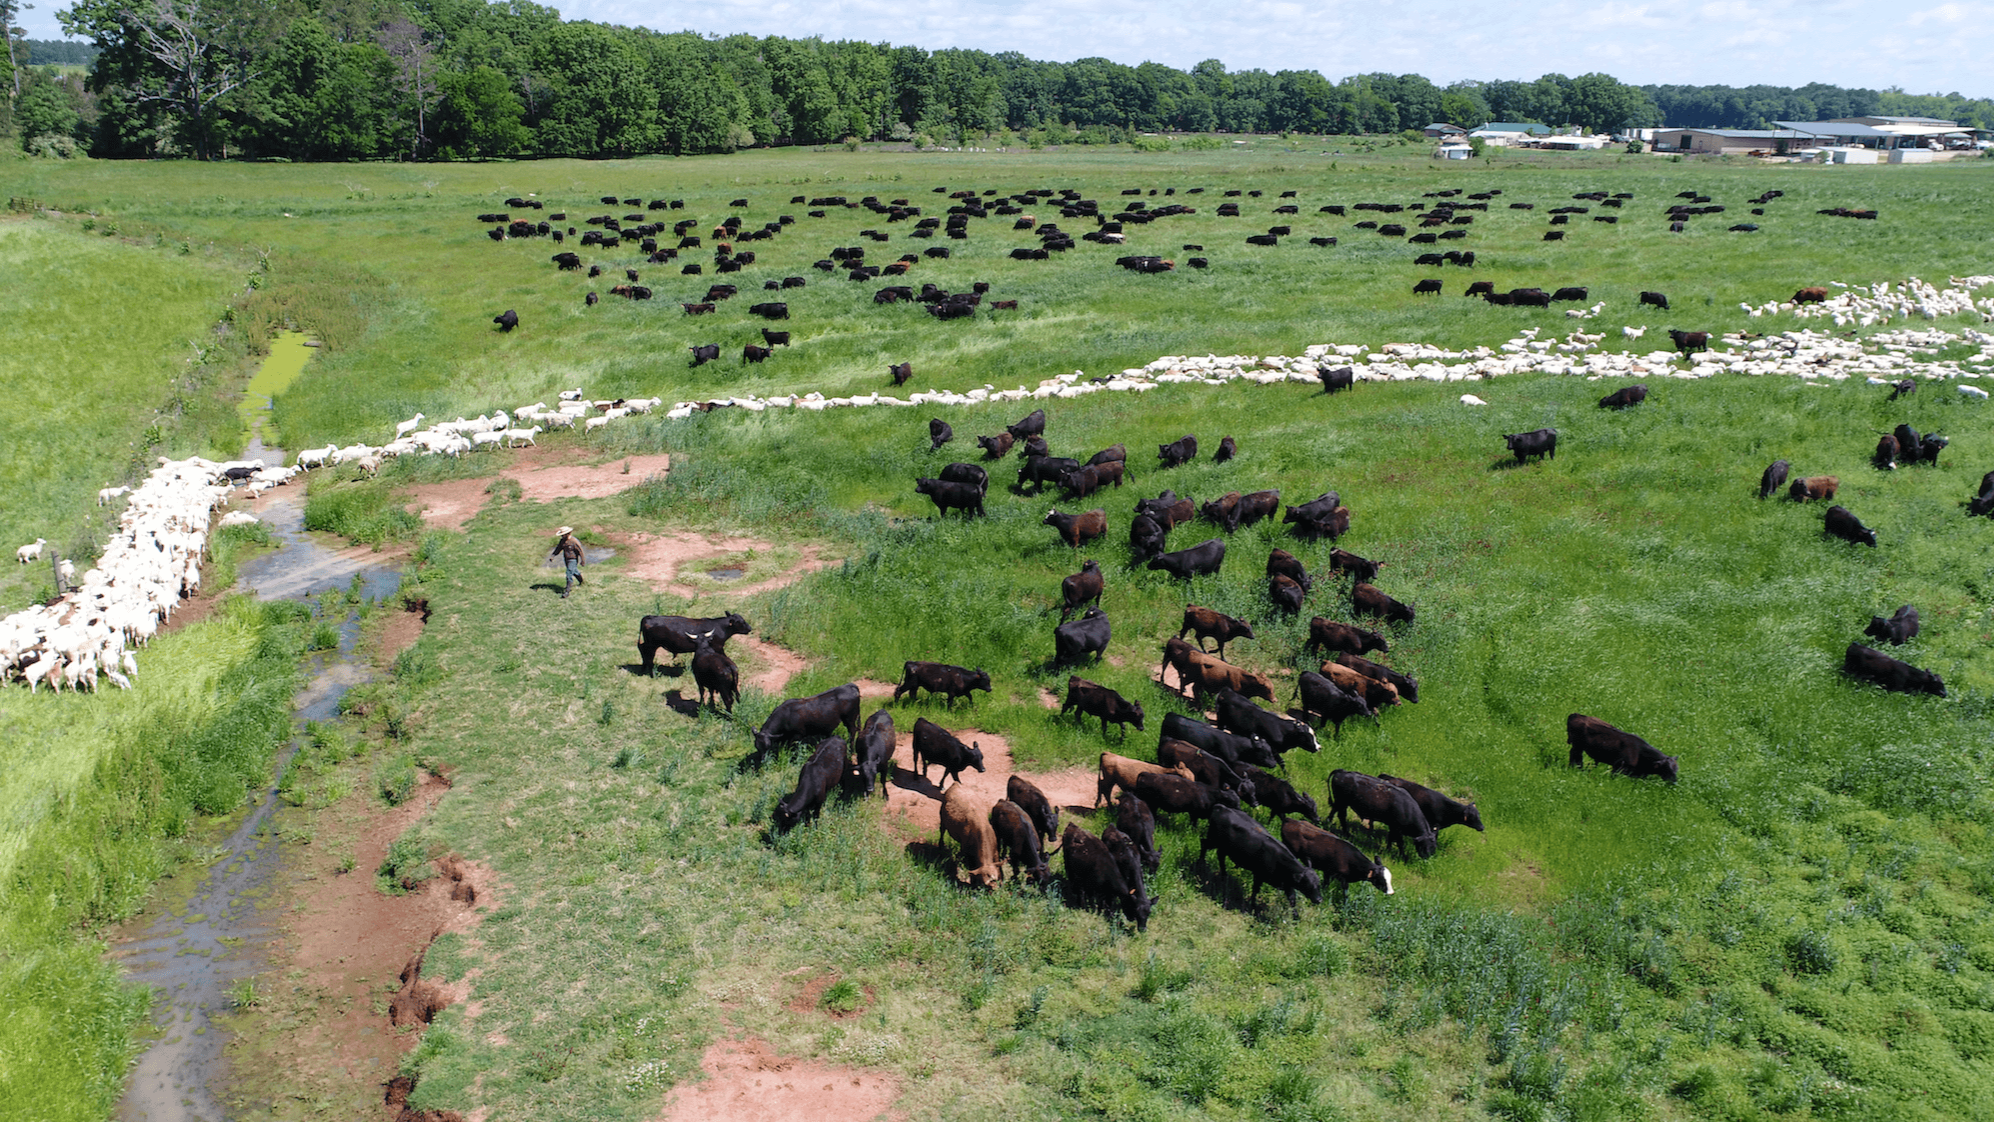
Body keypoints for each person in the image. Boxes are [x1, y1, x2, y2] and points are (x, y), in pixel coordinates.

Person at [550, 526, 585, 598]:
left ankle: (567, 591)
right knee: (574, 571)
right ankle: (582, 582)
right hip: (566, 559)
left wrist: (582, 560)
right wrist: (553, 555)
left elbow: (580, 551)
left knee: (569, 573)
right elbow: (558, 548)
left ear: (568, 533)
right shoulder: (562, 541)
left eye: (563, 534)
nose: (562, 536)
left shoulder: (574, 541)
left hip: (573, 559)